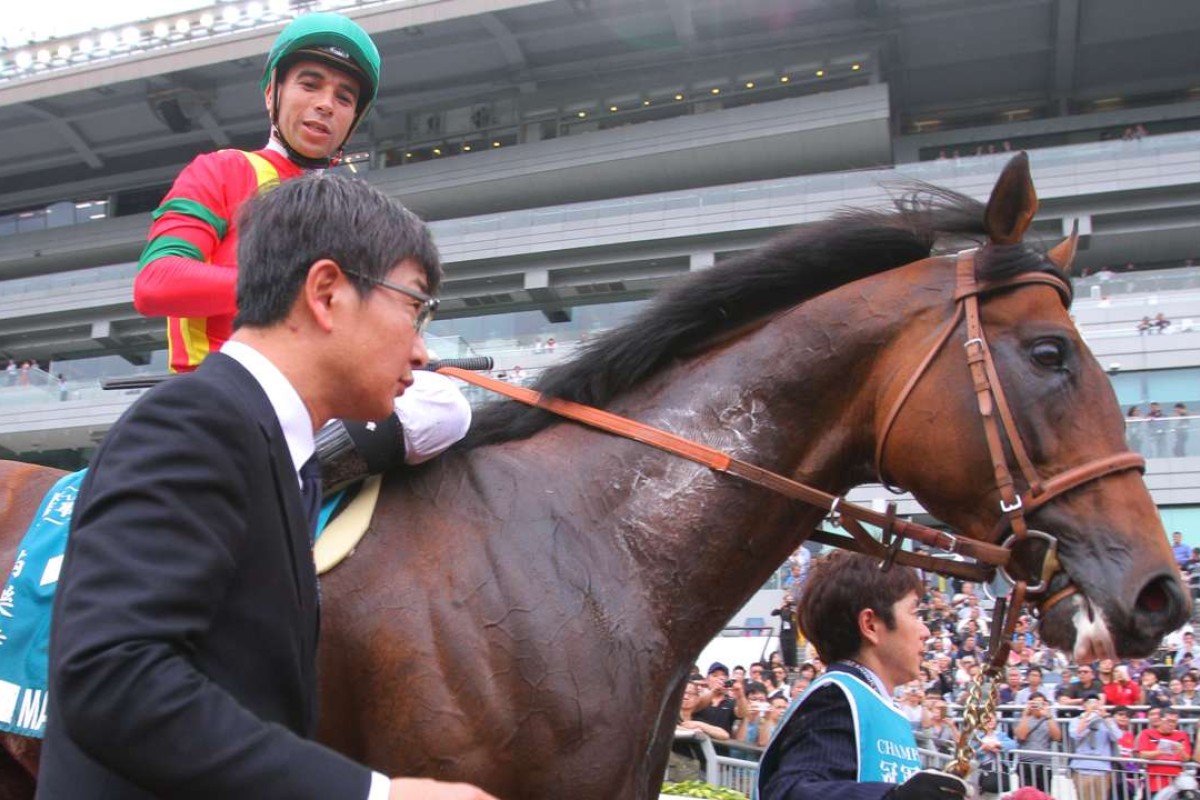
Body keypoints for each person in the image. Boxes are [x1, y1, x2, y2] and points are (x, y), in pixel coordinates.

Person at [37, 175, 498, 800]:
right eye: (414, 307)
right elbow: (111, 679)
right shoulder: (195, 422)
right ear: (328, 292)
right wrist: (376, 796)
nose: (421, 351)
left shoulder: (283, 453)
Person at [131, 12, 469, 490]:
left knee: (442, 403)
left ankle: (293, 487)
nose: (325, 105)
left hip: (320, 396)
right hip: (227, 391)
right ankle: (272, 494)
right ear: (273, 92)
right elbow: (156, 283)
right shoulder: (222, 170)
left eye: (343, 98)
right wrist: (301, 293)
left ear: (353, 119)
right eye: (310, 85)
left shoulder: (357, 208)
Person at [756, 551, 969, 800]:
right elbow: (788, 792)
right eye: (915, 613)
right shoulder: (837, 697)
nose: (925, 631)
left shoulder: (877, 702)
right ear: (870, 625)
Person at [1067, 693, 1120, 800]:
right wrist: (1087, 716)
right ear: (1083, 705)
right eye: (1089, 703)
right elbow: (1077, 734)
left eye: (1096, 702)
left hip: (1102, 769)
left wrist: (1105, 717)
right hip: (1082, 769)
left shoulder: (1106, 721)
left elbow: (1117, 736)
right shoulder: (1075, 720)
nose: (1093, 705)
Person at [1135, 707, 1192, 797]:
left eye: (1174, 721)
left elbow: (1187, 758)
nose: (1172, 724)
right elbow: (1143, 754)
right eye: (1169, 721)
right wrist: (1161, 751)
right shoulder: (1146, 733)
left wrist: (1181, 751)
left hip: (1177, 784)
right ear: (1160, 720)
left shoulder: (1182, 735)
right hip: (1155, 782)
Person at [1013, 692, 1061, 794]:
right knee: (1026, 795)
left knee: (1043, 795)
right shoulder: (1022, 719)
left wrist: (1048, 716)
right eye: (1034, 703)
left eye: (1041, 703)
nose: (1037, 706)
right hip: (1025, 763)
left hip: (1044, 764)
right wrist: (1025, 715)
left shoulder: (1050, 719)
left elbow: (1057, 737)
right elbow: (1021, 736)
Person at [772, 594, 800, 668]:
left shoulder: (795, 607)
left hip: (792, 631)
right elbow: (773, 613)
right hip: (784, 631)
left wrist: (794, 610)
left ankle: (794, 665)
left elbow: (797, 616)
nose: (790, 601)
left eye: (791, 599)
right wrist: (781, 607)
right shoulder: (782, 609)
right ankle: (787, 665)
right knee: (785, 649)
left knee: (792, 649)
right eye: (788, 599)